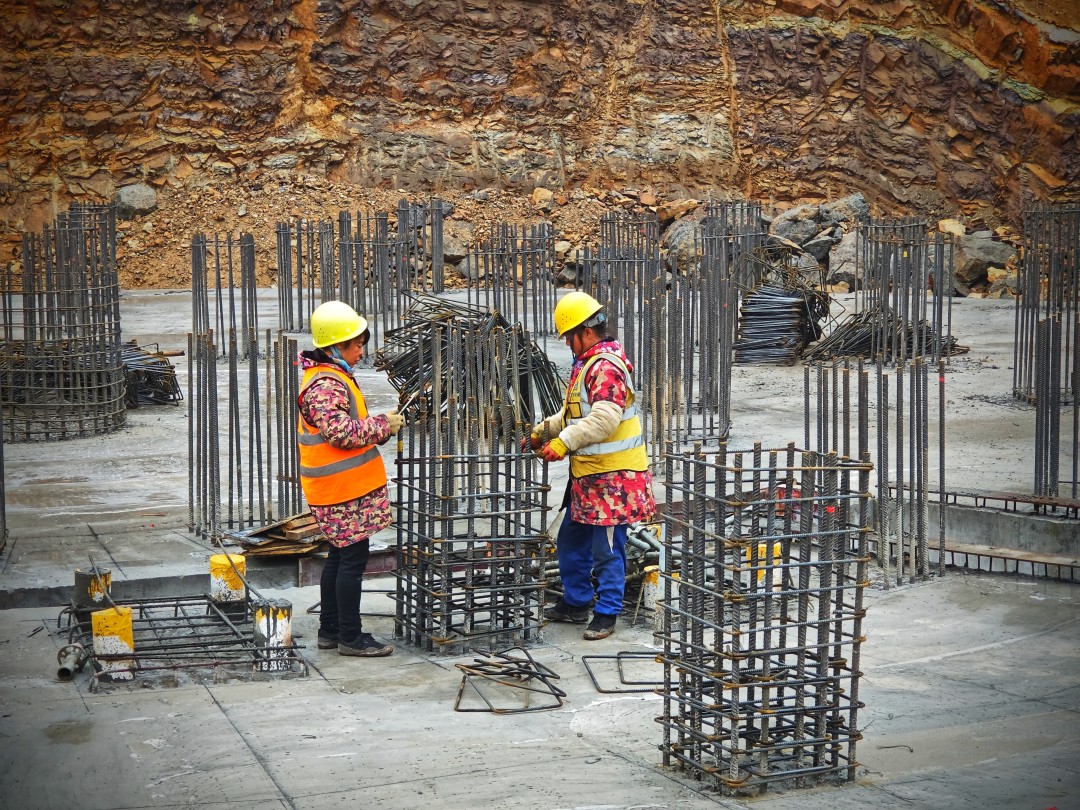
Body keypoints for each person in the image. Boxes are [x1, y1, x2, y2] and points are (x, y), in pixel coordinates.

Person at [525, 291, 656, 640]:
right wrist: (543, 431)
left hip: (615, 479)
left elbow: (604, 420)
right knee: (570, 540)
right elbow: (574, 413)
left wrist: (563, 442)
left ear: (585, 331)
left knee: (606, 549)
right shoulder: (588, 364)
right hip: (589, 477)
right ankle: (577, 601)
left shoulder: (606, 367)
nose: (568, 344)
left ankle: (607, 612)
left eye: (569, 337)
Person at [297, 301, 405, 657]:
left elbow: (348, 427)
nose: (361, 352)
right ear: (335, 346)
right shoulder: (325, 384)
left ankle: (330, 630)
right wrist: (381, 425)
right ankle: (350, 637)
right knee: (351, 561)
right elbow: (341, 433)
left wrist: (379, 426)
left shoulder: (331, 376)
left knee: (339, 557)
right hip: (339, 490)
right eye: (356, 345)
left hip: (342, 488)